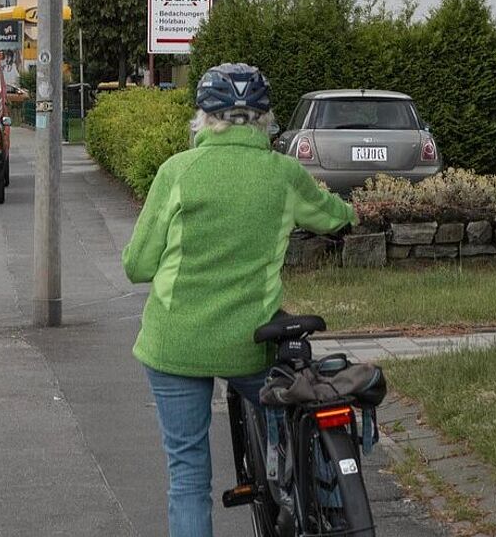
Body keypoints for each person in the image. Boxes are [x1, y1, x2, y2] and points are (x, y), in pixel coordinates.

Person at [122, 63, 356, 537]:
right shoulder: (283, 174)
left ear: (204, 118)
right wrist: (348, 212)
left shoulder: (177, 172)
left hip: (175, 344)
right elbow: (334, 217)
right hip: (252, 344)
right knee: (292, 425)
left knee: (187, 475)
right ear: (266, 119)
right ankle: (299, 490)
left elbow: (138, 266)